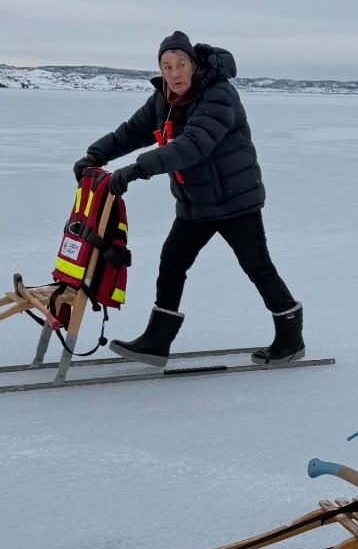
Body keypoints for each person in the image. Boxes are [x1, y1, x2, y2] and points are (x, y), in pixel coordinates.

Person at [73, 32, 305, 368]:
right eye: (167, 66)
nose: (175, 73)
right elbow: (131, 132)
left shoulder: (219, 95)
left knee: (257, 267)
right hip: (195, 204)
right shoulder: (162, 100)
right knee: (171, 264)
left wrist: (139, 169)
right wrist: (94, 155)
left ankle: (290, 336)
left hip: (236, 201)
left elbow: (193, 145)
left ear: (193, 66)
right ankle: (157, 341)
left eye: (181, 64)